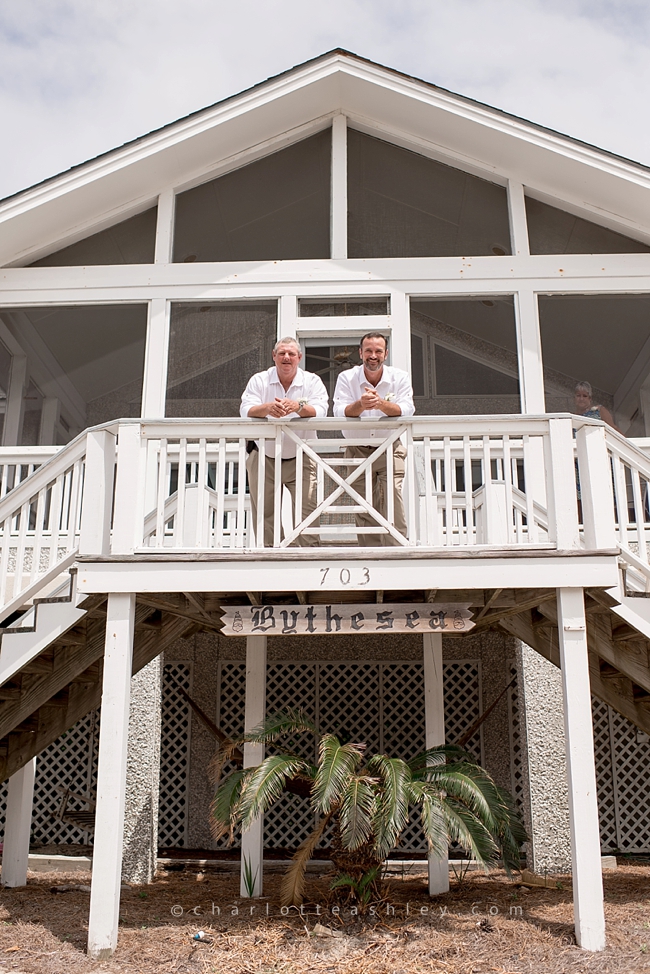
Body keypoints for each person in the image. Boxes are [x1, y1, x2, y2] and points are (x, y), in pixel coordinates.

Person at [241, 337, 328, 546]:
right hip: (264, 454)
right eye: (281, 353)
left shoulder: (312, 381)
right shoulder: (259, 380)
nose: (286, 357)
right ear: (274, 356)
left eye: (291, 354)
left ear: (299, 357)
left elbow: (321, 411)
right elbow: (246, 411)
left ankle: (308, 556)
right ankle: (272, 555)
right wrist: (268, 408)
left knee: (308, 511)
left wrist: (297, 407)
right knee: (265, 513)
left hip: (302, 455)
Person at [333, 332, 414, 546]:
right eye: (368, 350)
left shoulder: (400, 377)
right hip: (357, 449)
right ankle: (371, 551)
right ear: (360, 353)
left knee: (393, 497)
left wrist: (380, 404)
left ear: (386, 354)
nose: (373, 355)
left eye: (378, 351)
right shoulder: (347, 378)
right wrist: (361, 404)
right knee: (363, 502)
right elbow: (338, 411)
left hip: (389, 446)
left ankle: (397, 548)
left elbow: (407, 410)